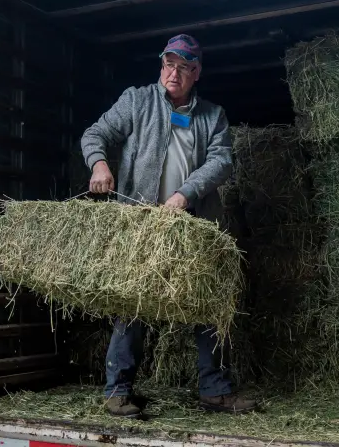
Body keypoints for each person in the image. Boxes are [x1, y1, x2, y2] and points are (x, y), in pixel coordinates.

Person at [80, 33, 257, 418]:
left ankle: (215, 391)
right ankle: (118, 393)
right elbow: (96, 133)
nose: (173, 73)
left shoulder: (213, 116)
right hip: (141, 225)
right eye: (168, 64)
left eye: (182, 67)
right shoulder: (137, 100)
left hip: (191, 226)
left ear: (196, 73)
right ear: (161, 66)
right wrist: (99, 163)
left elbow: (221, 161)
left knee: (207, 304)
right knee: (133, 304)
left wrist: (184, 194)